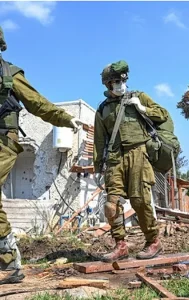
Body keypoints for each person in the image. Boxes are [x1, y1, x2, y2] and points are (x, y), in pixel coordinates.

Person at [0, 26, 83, 282]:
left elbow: (36, 102)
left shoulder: (9, 73)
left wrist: (65, 118)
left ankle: (8, 262)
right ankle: (8, 262)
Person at [93, 60, 168, 262]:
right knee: (111, 204)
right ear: (107, 85)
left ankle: (153, 241)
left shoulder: (139, 97)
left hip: (138, 152)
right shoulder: (103, 109)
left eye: (120, 80)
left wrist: (143, 108)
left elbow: (163, 115)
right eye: (113, 82)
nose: (118, 85)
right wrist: (98, 165)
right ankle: (121, 245)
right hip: (115, 157)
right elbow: (99, 139)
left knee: (140, 200)